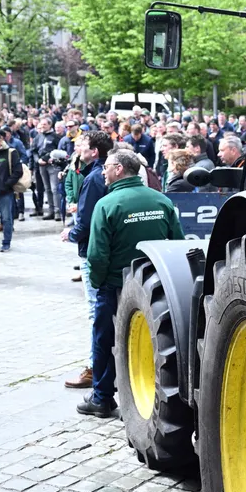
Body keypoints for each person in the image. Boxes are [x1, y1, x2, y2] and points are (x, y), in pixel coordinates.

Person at [77, 149, 184, 418]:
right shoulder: (161, 200)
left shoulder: (107, 204)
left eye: (107, 166)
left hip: (114, 285)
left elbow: (97, 254)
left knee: (104, 340)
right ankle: (144, 397)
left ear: (120, 169)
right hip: (153, 287)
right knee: (148, 343)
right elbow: (178, 243)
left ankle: (102, 398)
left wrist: (100, 283)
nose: (103, 171)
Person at [61, 131, 112, 389]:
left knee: (96, 312)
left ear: (95, 151)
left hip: (94, 250)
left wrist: (71, 233)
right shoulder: (102, 173)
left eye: (83, 145)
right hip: (106, 248)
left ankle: (95, 368)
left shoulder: (94, 178)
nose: (78, 149)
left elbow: (88, 218)